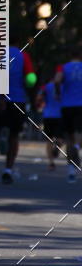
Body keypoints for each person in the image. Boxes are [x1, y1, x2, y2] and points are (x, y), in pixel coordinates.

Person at [0, 45, 36, 184]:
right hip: (17, 99)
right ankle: (8, 169)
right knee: (14, 135)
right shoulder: (23, 55)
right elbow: (31, 79)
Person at [54, 50, 82, 183]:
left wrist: (59, 93)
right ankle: (77, 147)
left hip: (67, 105)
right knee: (79, 132)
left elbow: (57, 80)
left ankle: (71, 171)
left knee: (69, 136)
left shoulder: (63, 67)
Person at [36, 81, 63, 170]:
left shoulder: (46, 86)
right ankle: (57, 149)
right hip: (60, 115)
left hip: (48, 115)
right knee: (60, 139)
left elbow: (39, 97)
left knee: (49, 140)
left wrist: (39, 106)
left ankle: (51, 163)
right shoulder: (64, 85)